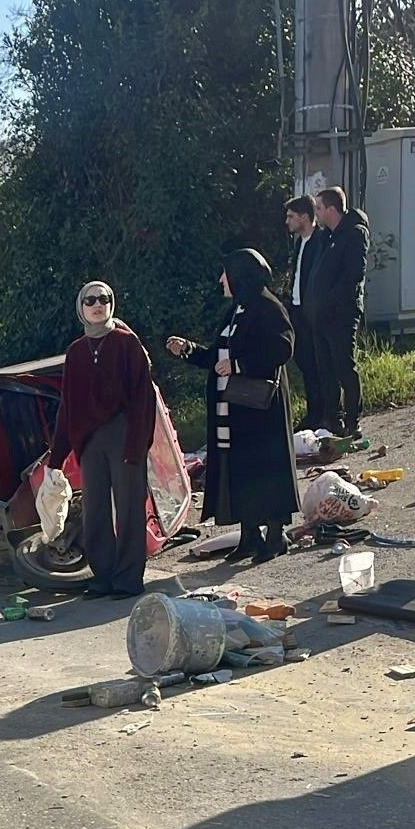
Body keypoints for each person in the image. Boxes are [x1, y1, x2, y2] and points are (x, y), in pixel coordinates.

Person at [167, 249, 300, 564]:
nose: (220, 280)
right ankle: (250, 536)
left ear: (240, 274)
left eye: (225, 272)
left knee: (265, 468)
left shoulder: (268, 306)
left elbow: (283, 347)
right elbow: (218, 357)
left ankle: (275, 536)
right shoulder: (236, 309)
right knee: (241, 469)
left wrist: (240, 365)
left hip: (259, 409)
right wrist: (189, 351)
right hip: (233, 408)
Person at [47, 281, 157, 598]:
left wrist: (137, 444)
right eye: (90, 300)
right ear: (80, 308)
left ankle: (128, 579)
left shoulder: (127, 344)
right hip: (91, 441)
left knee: (129, 508)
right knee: (94, 509)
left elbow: (142, 400)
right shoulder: (76, 352)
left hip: (124, 434)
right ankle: (103, 576)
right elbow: (68, 407)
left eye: (104, 298)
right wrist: (57, 458)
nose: (98, 304)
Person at [310, 186, 369, 438]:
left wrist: (327, 301)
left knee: (344, 366)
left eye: (320, 208)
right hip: (320, 316)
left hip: (342, 314)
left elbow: (352, 277)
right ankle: (331, 419)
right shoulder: (326, 237)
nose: (317, 213)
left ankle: (353, 419)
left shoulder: (354, 235)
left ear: (332, 209)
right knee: (325, 369)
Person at [283, 195, 329, 431]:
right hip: (297, 310)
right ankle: (313, 413)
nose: (287, 221)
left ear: (304, 217)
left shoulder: (320, 241)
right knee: (305, 363)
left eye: (291, 216)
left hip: (314, 312)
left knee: (318, 364)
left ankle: (324, 413)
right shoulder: (298, 242)